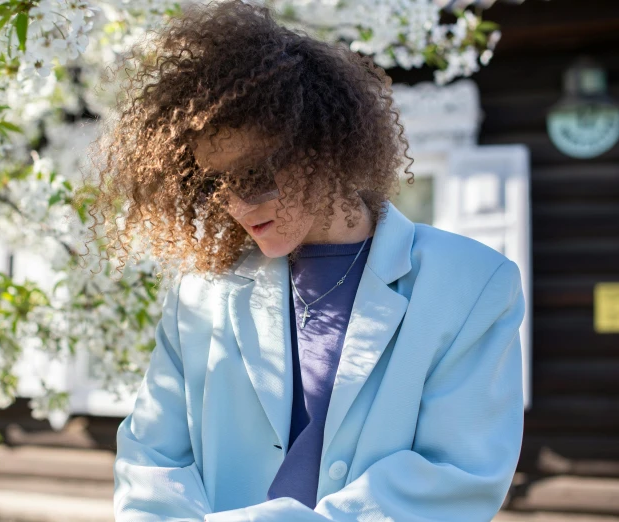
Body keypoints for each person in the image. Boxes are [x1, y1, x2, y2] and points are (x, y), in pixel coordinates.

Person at [83, 1, 526, 520]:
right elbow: (151, 459)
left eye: (253, 176)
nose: (236, 205)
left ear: (324, 149)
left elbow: (457, 474)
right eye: (212, 184)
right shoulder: (198, 292)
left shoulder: (473, 284)